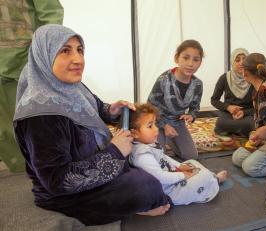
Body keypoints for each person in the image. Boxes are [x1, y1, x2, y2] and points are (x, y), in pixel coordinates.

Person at [13, 24, 172, 225]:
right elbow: (58, 181)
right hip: (66, 193)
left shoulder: (71, 85)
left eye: (79, 50)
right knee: (147, 186)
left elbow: (95, 106)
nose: (78, 59)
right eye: (65, 51)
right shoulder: (40, 115)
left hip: (94, 161)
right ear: (44, 56)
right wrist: (114, 152)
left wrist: (111, 110)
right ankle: (136, 203)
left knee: (144, 163)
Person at [0, 0, 64, 173]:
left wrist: (40, 54)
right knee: (6, 131)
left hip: (25, 62)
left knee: (41, 125)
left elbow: (51, 15)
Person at [129, 103, 227, 205]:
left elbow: (163, 156)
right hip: (169, 191)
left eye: (154, 124)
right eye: (150, 126)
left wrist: (180, 166)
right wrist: (183, 175)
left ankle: (211, 179)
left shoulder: (149, 143)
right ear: (135, 133)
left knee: (192, 162)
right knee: (205, 176)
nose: (156, 128)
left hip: (172, 176)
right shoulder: (142, 156)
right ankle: (215, 180)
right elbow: (161, 178)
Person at [148, 40, 204, 160]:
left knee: (191, 156)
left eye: (196, 59)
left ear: (200, 62)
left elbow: (195, 107)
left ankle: (170, 140)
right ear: (177, 58)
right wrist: (165, 126)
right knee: (157, 157)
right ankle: (165, 137)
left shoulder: (198, 84)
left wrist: (191, 115)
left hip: (178, 123)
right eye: (186, 58)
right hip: (158, 122)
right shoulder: (163, 79)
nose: (190, 64)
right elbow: (150, 106)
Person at [232, 53, 266, 177]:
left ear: (245, 73)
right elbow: (261, 119)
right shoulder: (256, 91)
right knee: (237, 158)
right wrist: (256, 134)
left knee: (250, 168)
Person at [211, 48, 254, 137]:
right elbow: (214, 100)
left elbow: (259, 106)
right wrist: (228, 107)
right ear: (232, 62)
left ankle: (233, 130)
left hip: (248, 113)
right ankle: (240, 131)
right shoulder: (224, 78)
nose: (241, 63)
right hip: (228, 113)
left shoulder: (253, 78)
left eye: (244, 59)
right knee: (221, 123)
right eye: (237, 60)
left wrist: (244, 113)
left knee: (250, 123)